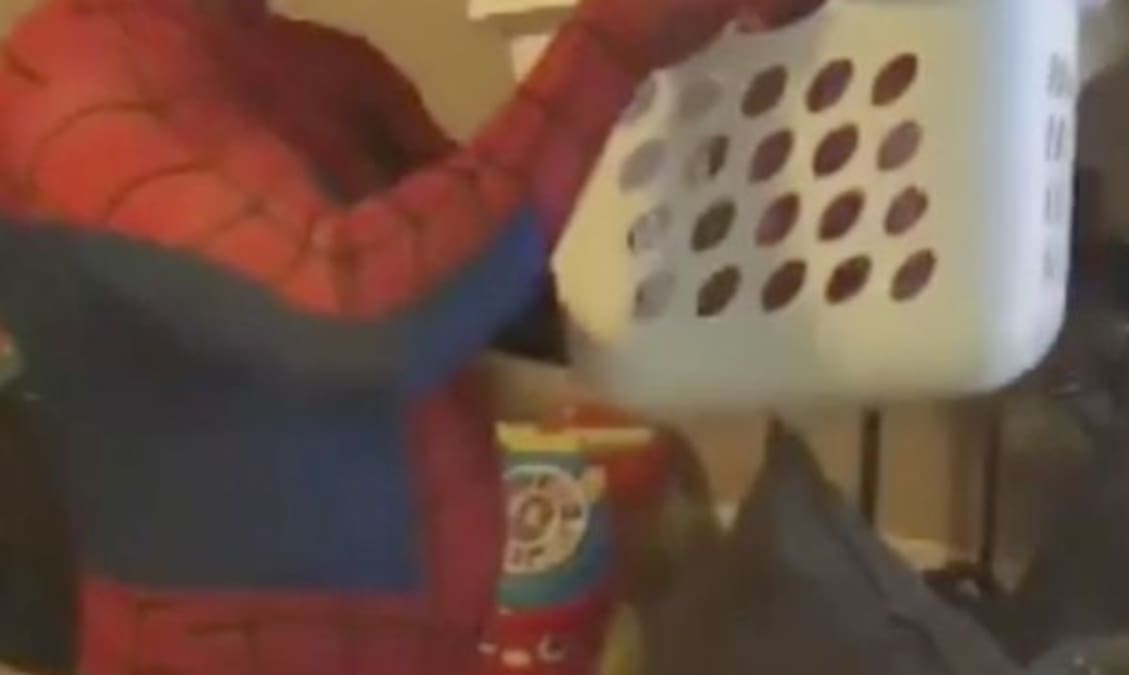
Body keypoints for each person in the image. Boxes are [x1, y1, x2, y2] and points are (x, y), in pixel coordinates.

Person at [0, 0, 823, 672]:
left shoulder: (327, 70)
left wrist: (739, 139)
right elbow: (350, 317)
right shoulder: (72, 74)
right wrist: (608, 47)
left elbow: (508, 286)